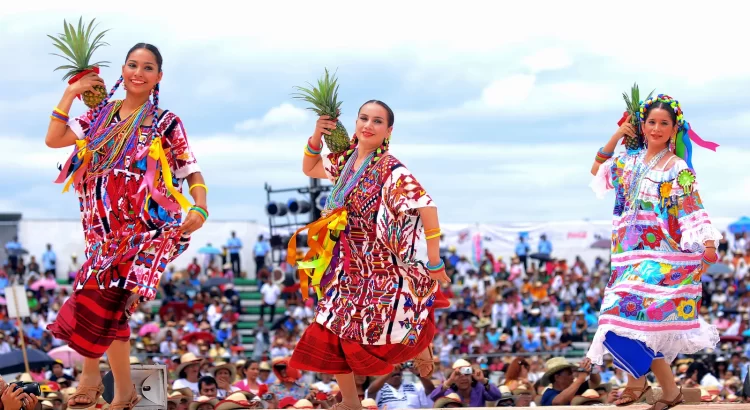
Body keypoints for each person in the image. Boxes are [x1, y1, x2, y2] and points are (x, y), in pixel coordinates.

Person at [44, 43, 208, 410]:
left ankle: (89, 378)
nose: (139, 72)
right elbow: (54, 139)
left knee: (97, 294)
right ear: (122, 69)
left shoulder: (166, 122)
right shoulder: (99, 115)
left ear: (158, 77)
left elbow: (189, 168)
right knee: (114, 307)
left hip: (145, 229)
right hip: (101, 229)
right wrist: (71, 92)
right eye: (133, 65)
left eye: (148, 68)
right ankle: (124, 392)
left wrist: (201, 206)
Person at [286, 100, 450, 410]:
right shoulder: (347, 161)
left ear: (388, 131)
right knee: (328, 327)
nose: (368, 125)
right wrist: (316, 137)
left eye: (377, 121)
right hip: (349, 264)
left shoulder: (391, 168)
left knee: (390, 322)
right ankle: (350, 401)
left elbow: (427, 207)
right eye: (363, 118)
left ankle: (419, 345)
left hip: (383, 266)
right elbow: (309, 167)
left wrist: (434, 260)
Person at [587, 94, 721, 409]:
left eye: (664, 123)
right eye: (651, 122)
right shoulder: (628, 160)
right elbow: (597, 170)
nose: (657, 128)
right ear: (642, 126)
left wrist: (709, 243)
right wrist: (619, 133)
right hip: (628, 257)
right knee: (619, 323)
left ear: (675, 129)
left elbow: (692, 203)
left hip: (665, 256)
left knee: (626, 323)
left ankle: (648, 386)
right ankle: (652, 386)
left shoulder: (676, 167)